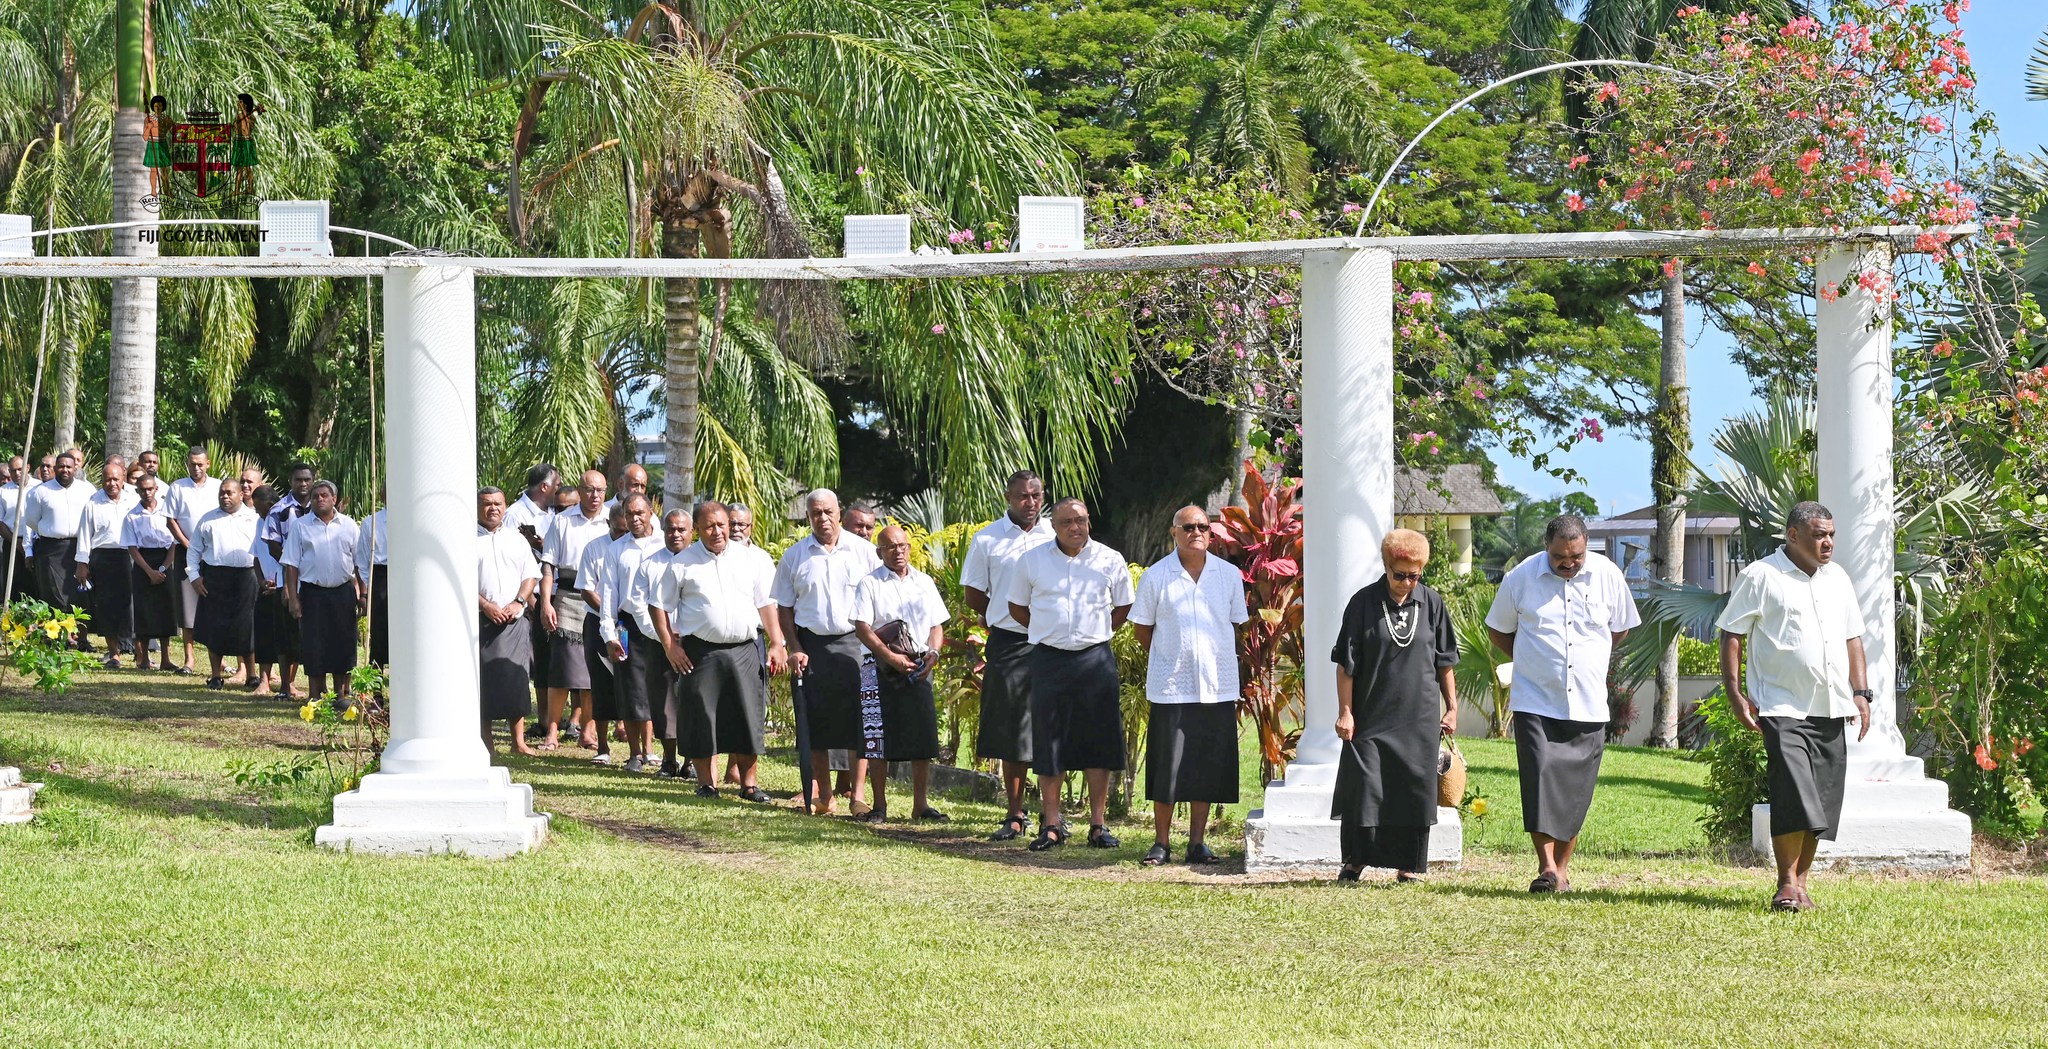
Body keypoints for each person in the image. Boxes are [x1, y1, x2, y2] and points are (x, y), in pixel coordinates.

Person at [1716, 501, 1873, 913]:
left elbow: (1853, 638)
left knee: (1820, 801)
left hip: (1831, 705)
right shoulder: (1761, 576)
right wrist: (1735, 693)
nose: (1828, 542)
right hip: (1781, 705)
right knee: (1793, 793)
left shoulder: (1838, 579)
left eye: (1831, 534)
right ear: (1793, 535)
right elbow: (1731, 634)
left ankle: (1801, 884)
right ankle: (1785, 883)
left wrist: (1861, 692)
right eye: (1819, 535)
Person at [1485, 515, 1640, 894]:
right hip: (1535, 701)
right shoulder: (1520, 578)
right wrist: (1531, 660)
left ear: (1586, 546)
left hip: (1588, 703)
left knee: (1576, 791)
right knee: (1538, 781)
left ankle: (1563, 871)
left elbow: (1619, 628)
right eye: (1559, 557)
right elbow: (1498, 630)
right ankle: (1547, 867)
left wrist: (1593, 657)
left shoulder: (1608, 575)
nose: (1568, 563)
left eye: (1576, 557)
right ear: (1546, 547)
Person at [1328, 528, 1459, 883]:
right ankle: (1356, 860)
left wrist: (1451, 707)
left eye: (1414, 576)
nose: (1406, 583)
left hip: (1419, 715)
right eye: (1399, 575)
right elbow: (1346, 664)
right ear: (1385, 566)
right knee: (1365, 785)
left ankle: (1409, 865)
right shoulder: (1362, 603)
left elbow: (1445, 662)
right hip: (1371, 713)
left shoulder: (1432, 603)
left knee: (1413, 788)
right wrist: (1345, 711)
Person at [1007, 498, 1135, 851]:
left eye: (1080, 520)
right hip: (1048, 660)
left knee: (1098, 741)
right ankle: (1051, 825)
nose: (1074, 527)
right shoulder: (1032, 560)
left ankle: (1098, 825)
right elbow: (1016, 606)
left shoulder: (1109, 559)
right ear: (1054, 526)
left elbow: (1124, 604)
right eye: (1066, 522)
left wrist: (1099, 631)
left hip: (1095, 659)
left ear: (1089, 521)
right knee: (1049, 741)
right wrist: (1047, 629)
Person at [1129, 505, 1249, 866]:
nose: (1196, 532)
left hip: (1217, 684)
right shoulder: (1156, 576)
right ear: (1174, 533)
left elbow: (1235, 625)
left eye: (1203, 526)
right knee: (1168, 765)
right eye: (1188, 527)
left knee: (1206, 765)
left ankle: (1197, 843)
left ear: (1210, 533)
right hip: (1171, 686)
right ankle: (1161, 843)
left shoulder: (1229, 575)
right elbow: (1142, 630)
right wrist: (1171, 654)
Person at [653, 501, 788, 801]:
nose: (717, 532)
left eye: (722, 525)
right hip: (700, 653)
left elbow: (766, 604)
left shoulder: (752, 559)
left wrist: (777, 643)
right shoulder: (682, 563)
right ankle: (706, 783)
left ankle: (749, 785)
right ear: (697, 530)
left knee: (747, 715)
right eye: (709, 526)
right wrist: (670, 646)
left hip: (745, 649)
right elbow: (658, 605)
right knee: (701, 716)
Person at [774, 488, 882, 816]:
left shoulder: (865, 552)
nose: (822, 518)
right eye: (815, 513)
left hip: (856, 644)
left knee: (859, 722)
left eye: (828, 512)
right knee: (815, 721)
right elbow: (784, 608)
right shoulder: (794, 556)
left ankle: (857, 796)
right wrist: (794, 647)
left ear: (839, 513)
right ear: (808, 517)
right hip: (812, 647)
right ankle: (824, 796)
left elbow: (881, 597)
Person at [961, 470, 1054, 840]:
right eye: (1022, 496)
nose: (1030, 503)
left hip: (1054, 641)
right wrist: (1001, 612)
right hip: (1009, 642)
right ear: (1008, 497)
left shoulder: (1057, 534)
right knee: (1012, 729)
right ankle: (1015, 813)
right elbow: (973, 592)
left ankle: (1053, 816)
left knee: (1052, 726)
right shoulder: (987, 539)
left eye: (1036, 495)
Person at [851, 524, 951, 822]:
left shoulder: (924, 582)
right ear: (879, 552)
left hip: (919, 665)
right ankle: (879, 806)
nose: (898, 551)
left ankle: (920, 805)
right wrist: (890, 657)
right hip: (878, 666)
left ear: (909, 548)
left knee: (922, 735)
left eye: (902, 545)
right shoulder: (869, 583)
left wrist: (934, 653)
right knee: (877, 737)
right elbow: (862, 628)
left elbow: (936, 625)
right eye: (891, 547)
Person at [541, 471, 610, 751]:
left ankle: (588, 730)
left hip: (601, 598)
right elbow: (548, 566)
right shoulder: (562, 521)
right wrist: (546, 602)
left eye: (600, 490)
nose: (595, 496)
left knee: (594, 670)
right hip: (568, 597)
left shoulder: (613, 520)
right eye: (589, 489)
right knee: (563, 670)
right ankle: (552, 731)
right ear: (580, 491)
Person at [596, 494, 663, 772]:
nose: (635, 519)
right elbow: (608, 594)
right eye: (629, 514)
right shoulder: (616, 550)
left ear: (651, 512)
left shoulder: (664, 544)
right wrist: (609, 634)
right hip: (629, 626)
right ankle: (635, 753)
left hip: (662, 626)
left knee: (660, 689)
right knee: (631, 690)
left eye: (640, 513)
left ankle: (655, 751)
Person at [282, 480, 361, 703]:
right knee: (313, 643)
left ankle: (341, 695)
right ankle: (315, 695)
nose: (319, 499)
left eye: (324, 495)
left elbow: (360, 563)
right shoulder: (300, 526)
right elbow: (291, 564)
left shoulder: (348, 525)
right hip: (313, 594)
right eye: (315, 496)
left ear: (334, 499)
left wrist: (362, 593)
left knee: (343, 643)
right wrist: (293, 598)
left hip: (343, 593)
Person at [478, 487, 540, 754]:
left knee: (516, 679)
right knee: (484, 683)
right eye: (487, 503)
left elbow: (530, 575)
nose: (493, 508)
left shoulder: (517, 539)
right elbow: (459, 580)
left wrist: (519, 601)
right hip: (481, 621)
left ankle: (518, 742)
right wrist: (485, 605)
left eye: (498, 503)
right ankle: (486, 742)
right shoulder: (465, 539)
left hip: (514, 621)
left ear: (505, 506)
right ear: (477, 507)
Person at [634, 509, 693, 776]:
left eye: (681, 529)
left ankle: (692, 761)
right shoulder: (650, 564)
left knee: (694, 700)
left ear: (692, 532)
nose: (675, 534)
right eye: (671, 529)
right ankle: (669, 760)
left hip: (694, 642)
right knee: (663, 701)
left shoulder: (700, 562)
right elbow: (638, 606)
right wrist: (665, 638)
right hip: (658, 643)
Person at [188, 481, 261, 690]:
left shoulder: (254, 518)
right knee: (215, 626)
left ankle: (251, 675)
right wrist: (194, 576)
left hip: (247, 576)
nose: (225, 497)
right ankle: (215, 676)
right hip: (215, 577)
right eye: (222, 493)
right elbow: (194, 549)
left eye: (230, 493)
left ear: (241, 494)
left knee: (247, 625)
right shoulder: (208, 519)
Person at [505, 464, 560, 725]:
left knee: (554, 658)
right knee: (537, 658)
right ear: (545, 487)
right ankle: (541, 718)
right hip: (531, 598)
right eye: (557, 485)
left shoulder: (554, 514)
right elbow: (511, 561)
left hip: (555, 594)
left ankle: (553, 717)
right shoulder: (515, 515)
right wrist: (529, 600)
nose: (559, 490)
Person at [577, 503, 630, 765]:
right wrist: (610, 613)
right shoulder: (594, 548)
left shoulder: (639, 547)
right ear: (608, 524)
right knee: (600, 683)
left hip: (631, 625)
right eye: (619, 530)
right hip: (599, 622)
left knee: (632, 682)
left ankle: (639, 749)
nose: (623, 535)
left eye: (627, 531)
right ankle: (603, 746)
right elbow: (586, 589)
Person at [24, 452, 97, 643]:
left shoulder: (87, 490)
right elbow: (31, 520)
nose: (65, 470)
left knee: (81, 594)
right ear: (55, 468)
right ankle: (60, 637)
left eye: (68, 467)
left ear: (75, 469)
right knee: (55, 593)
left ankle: (82, 639)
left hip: (80, 546)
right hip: (51, 548)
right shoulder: (41, 491)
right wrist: (52, 529)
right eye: (61, 466)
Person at [164, 448, 224, 676]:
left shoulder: (218, 486)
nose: (196, 468)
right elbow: (171, 520)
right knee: (187, 607)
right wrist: (188, 545)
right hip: (185, 550)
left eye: (200, 464)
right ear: (187, 464)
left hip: (214, 552)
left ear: (208, 464)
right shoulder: (177, 487)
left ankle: (217, 657)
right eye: (192, 464)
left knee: (215, 605)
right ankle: (189, 659)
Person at [74, 464, 133, 667]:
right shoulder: (93, 502)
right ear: (102, 480)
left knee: (131, 604)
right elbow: (84, 535)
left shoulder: (133, 499)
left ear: (123, 478)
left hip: (130, 555)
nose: (112, 483)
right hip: (103, 557)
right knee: (106, 605)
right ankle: (114, 653)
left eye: (116, 479)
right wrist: (82, 563)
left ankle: (139, 653)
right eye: (108, 479)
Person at [123, 475, 179, 672]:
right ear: (137, 491)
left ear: (156, 489)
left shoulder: (166, 512)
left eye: (150, 489)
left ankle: (165, 659)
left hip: (165, 560)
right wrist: (149, 571)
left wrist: (163, 568)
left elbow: (174, 542)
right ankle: (144, 658)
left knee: (166, 610)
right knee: (144, 610)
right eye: (142, 490)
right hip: (143, 563)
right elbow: (132, 547)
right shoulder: (132, 516)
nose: (147, 493)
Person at [247, 486, 296, 696]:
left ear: (270, 505)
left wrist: (283, 584)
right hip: (266, 588)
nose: (257, 512)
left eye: (259, 508)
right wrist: (260, 581)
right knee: (264, 635)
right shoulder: (261, 522)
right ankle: (264, 681)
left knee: (289, 637)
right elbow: (256, 555)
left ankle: (289, 683)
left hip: (286, 587)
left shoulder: (287, 518)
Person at [354, 494, 389, 668]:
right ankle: (376, 678)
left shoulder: (412, 519)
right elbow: (362, 561)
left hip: (406, 576)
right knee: (379, 629)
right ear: (382, 496)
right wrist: (366, 591)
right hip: (381, 576)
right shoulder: (371, 522)